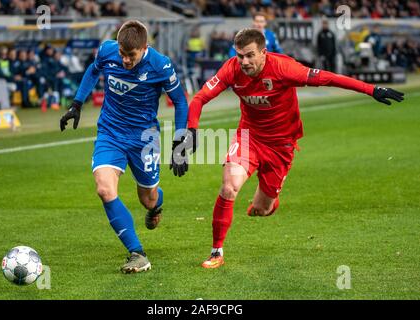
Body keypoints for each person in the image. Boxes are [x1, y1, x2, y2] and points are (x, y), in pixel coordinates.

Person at [186, 28, 404, 269]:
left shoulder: (284, 69)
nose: (244, 62)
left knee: (261, 209)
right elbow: (199, 99)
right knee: (229, 187)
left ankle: (268, 202)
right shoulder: (231, 69)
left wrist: (371, 89)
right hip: (249, 137)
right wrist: (192, 130)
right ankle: (217, 251)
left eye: (249, 55)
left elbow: (329, 78)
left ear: (264, 52)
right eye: (240, 56)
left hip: (282, 145)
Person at [59, 20, 190, 273]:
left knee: (148, 198)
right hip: (110, 132)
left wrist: (180, 143)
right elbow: (92, 70)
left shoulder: (160, 64)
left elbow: (180, 102)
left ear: (144, 48)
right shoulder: (108, 50)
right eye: (122, 54)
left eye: (131, 55)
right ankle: (137, 253)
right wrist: (76, 103)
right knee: (105, 189)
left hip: (144, 138)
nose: (125, 60)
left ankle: (156, 205)